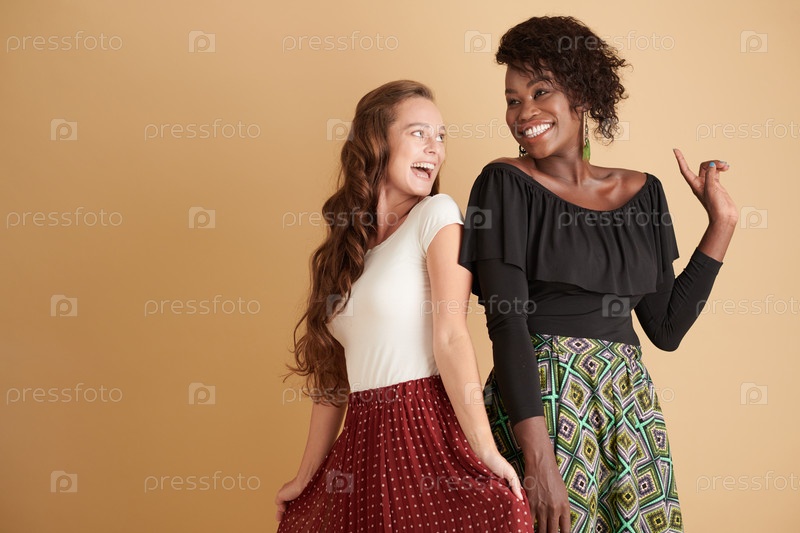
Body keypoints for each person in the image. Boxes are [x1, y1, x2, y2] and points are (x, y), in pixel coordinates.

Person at [458, 16, 737, 533]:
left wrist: (721, 224)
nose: (524, 112)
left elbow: (666, 328)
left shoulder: (644, 193)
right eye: (513, 99)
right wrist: (538, 460)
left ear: (582, 96)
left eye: (541, 91)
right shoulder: (503, 184)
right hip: (545, 407)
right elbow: (507, 324)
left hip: (629, 411)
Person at [275, 80, 533, 532]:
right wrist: (305, 476)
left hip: (421, 426)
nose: (435, 149)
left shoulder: (437, 215)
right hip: (360, 440)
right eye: (419, 133)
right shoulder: (344, 252)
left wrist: (486, 450)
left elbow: (451, 336)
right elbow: (332, 380)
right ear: (376, 141)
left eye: (441, 137)